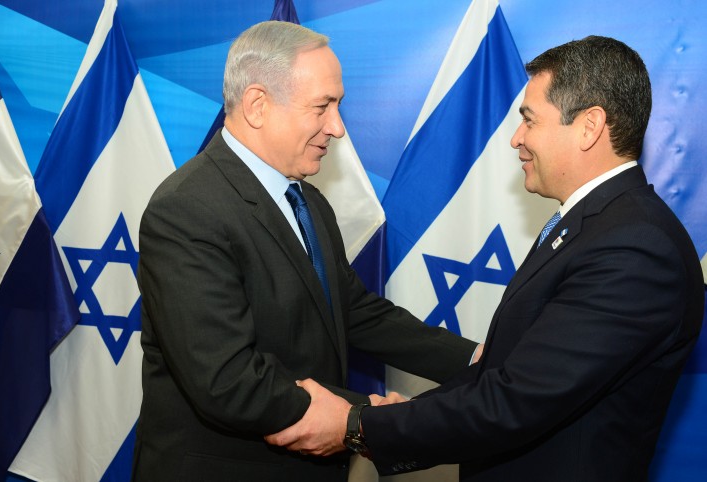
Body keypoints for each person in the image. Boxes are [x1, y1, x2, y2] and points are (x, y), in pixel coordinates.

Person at [265, 35, 705, 481]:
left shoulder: (634, 247)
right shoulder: (596, 225)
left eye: (529, 120)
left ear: (589, 127)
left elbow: (517, 401)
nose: (516, 138)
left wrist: (356, 426)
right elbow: (508, 372)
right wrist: (406, 413)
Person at [131, 20, 479, 482]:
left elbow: (353, 311)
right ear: (258, 104)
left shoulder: (308, 199)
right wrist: (366, 416)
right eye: (323, 106)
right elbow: (226, 380)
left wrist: (473, 359)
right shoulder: (187, 209)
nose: (337, 127)